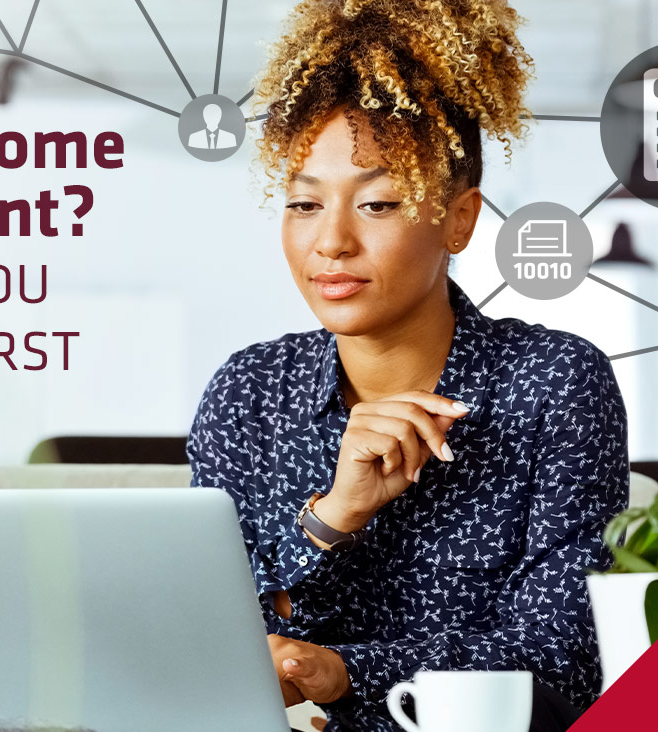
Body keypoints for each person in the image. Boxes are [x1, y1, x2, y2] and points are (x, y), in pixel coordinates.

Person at [186, 1, 628, 729]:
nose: (331, 242)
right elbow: (206, 646)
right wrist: (334, 520)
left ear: (460, 218)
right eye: (302, 203)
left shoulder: (553, 382)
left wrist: (343, 672)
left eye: (380, 204)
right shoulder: (249, 394)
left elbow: (564, 659)